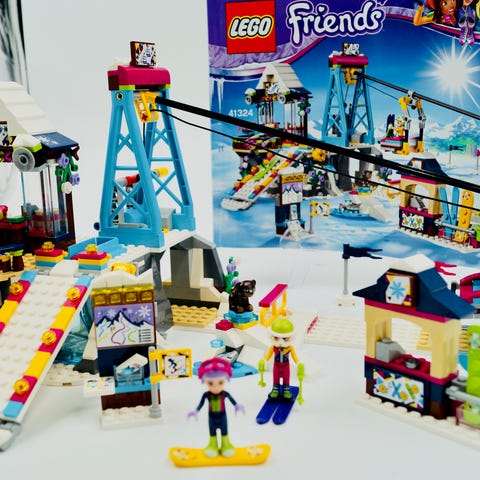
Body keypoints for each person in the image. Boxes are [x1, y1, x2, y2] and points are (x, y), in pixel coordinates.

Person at [188, 357, 244, 458]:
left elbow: (232, 400)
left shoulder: (224, 394)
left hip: (222, 417)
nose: (216, 387)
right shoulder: (206, 395)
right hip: (212, 418)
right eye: (210, 383)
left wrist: (237, 405)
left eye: (220, 382)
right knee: (212, 433)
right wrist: (196, 411)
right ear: (205, 381)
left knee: (224, 432)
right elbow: (201, 404)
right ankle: (212, 445)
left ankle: (226, 445)